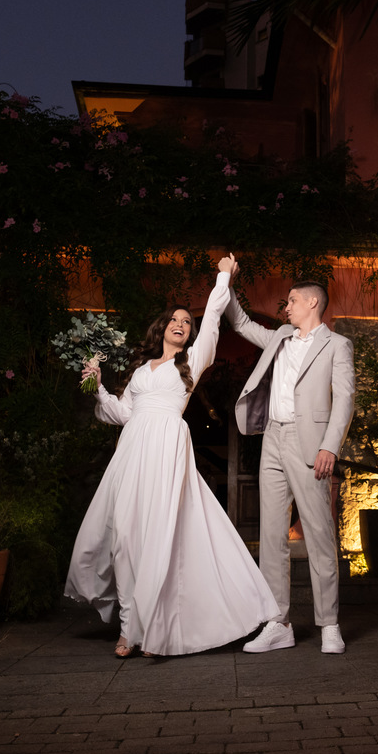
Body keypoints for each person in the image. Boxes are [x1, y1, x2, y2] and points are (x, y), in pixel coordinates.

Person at [64, 255, 279, 657]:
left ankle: (156, 632)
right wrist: (97, 386)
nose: (182, 324)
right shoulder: (142, 370)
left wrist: (223, 278)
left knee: (161, 537)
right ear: (161, 327)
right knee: (127, 540)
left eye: (187, 322)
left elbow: (214, 316)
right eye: (175, 320)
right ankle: (129, 628)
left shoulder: (192, 362)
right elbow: (123, 414)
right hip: (132, 454)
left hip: (167, 451)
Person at [226, 271, 355, 654]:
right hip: (273, 439)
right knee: (271, 535)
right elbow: (241, 322)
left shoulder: (337, 345)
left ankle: (329, 623)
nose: (287, 307)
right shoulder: (280, 338)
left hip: (310, 443)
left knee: (318, 533)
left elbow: (345, 398)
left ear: (312, 302)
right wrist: (227, 284)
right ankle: (278, 622)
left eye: (292, 301)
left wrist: (330, 446)